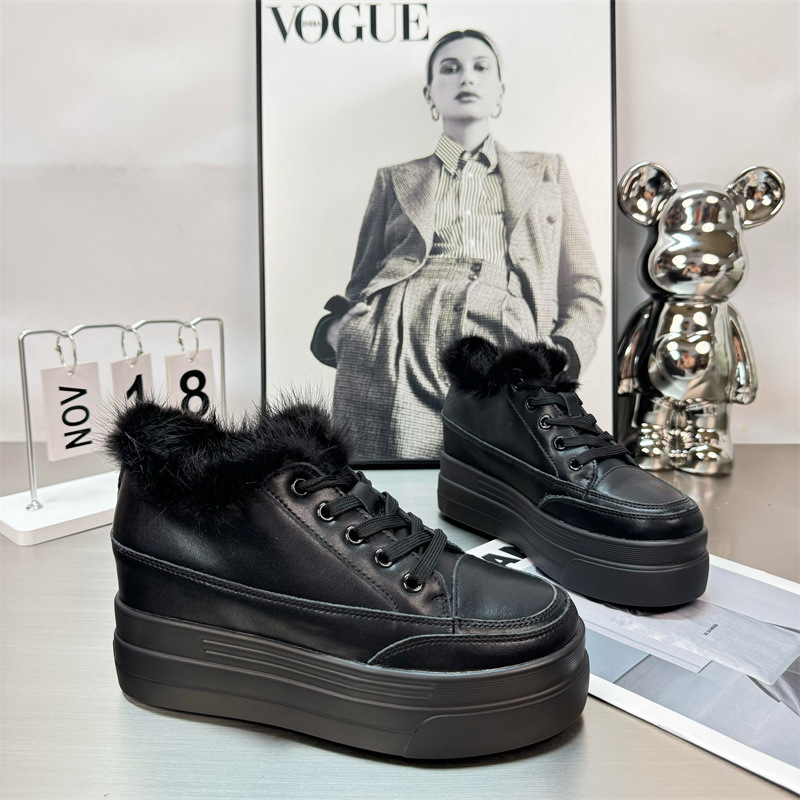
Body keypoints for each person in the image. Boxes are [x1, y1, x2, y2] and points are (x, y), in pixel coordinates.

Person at [311, 29, 604, 459]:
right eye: (450, 69)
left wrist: (560, 354)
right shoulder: (394, 179)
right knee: (390, 479)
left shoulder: (546, 171)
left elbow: (583, 287)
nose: (466, 77)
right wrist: (342, 333)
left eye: (480, 67)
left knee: (500, 475)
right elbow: (362, 280)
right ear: (430, 94)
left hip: (504, 331)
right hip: (395, 330)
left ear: (500, 92)